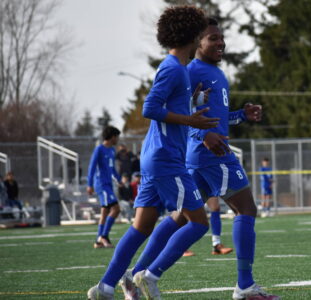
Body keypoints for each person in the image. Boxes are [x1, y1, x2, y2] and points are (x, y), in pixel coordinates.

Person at [87, 6, 219, 300]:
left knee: (141, 227)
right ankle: (149, 275)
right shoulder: (173, 68)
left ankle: (105, 287)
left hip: (155, 159)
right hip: (166, 160)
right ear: (193, 35)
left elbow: (171, 104)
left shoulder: (179, 69)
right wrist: (191, 120)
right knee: (198, 222)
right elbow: (150, 108)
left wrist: (194, 100)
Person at [185, 18, 279, 300]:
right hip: (211, 155)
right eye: (212, 38)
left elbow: (217, 118)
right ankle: (245, 286)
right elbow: (174, 113)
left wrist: (242, 115)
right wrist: (201, 136)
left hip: (204, 154)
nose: (220, 42)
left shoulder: (216, 73)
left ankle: (142, 273)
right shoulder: (191, 71)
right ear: (197, 42)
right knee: (246, 209)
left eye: (221, 38)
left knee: (182, 218)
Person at [86, 127, 123, 248]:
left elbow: (112, 168)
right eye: (117, 136)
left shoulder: (112, 150)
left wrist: (118, 179)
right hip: (101, 184)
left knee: (105, 211)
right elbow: (92, 167)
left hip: (108, 184)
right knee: (116, 209)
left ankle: (98, 240)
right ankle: (104, 236)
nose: (118, 139)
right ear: (112, 136)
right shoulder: (99, 149)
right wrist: (89, 184)